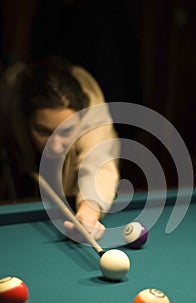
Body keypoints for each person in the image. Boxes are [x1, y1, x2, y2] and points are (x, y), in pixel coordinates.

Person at [0, 57, 120, 240]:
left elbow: (99, 162)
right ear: (26, 119)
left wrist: (88, 213)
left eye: (66, 131)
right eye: (43, 131)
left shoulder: (91, 111)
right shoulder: (10, 95)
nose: (54, 145)